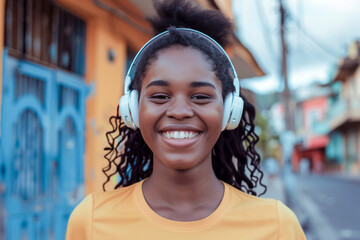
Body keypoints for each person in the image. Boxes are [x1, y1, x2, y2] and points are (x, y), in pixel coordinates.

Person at [66, 0, 306, 239]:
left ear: (229, 111)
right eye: (160, 96)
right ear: (132, 109)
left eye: (201, 97)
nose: (179, 111)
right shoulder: (91, 220)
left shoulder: (277, 226)